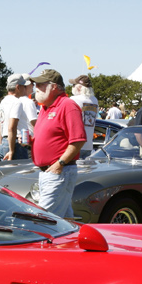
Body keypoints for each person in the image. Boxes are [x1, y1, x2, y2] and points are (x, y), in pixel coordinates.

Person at [28, 69, 85, 217]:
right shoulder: (45, 108)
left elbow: (78, 140)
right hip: (50, 172)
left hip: (59, 171)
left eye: (40, 84)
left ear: (53, 87)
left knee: (44, 219)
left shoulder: (67, 105)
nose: (36, 88)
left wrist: (60, 164)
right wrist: (29, 142)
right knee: (64, 220)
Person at [0, 73, 34, 160]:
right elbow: (12, 127)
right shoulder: (17, 102)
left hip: (4, 142)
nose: (25, 89)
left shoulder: (3, 102)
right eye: (23, 86)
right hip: (15, 143)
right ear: (18, 87)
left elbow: (0, 126)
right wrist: (12, 150)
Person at [69, 74, 99, 149]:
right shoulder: (95, 100)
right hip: (89, 145)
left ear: (79, 87)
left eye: (73, 85)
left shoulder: (74, 99)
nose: (72, 87)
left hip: (76, 145)